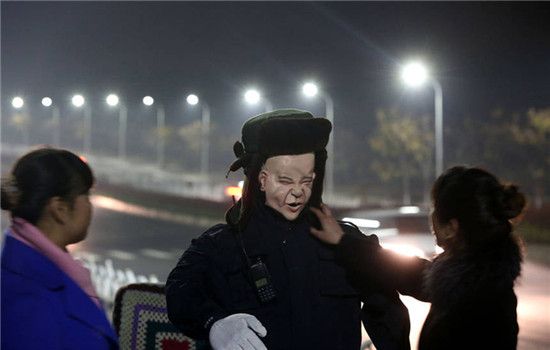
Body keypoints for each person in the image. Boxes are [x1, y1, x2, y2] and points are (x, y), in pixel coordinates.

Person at [166, 109, 411, 350]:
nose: (296, 191)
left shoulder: (346, 243)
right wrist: (214, 323)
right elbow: (180, 292)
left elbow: (388, 315)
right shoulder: (219, 245)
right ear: (257, 177)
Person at [310, 166, 526, 350]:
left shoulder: (475, 307)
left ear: (451, 227)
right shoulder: (476, 282)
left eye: (435, 207)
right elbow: (408, 272)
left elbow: (412, 275)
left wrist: (344, 243)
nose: (431, 215)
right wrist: (344, 242)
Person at [1, 147, 119, 350]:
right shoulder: (30, 302)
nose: (90, 207)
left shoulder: (34, 274)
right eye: (87, 195)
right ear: (60, 208)